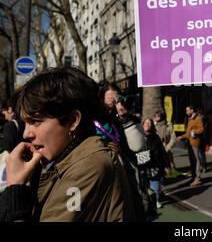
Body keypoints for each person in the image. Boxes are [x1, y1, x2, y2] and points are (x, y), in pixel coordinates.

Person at [0, 67, 136, 221]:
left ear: (72, 121)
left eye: (35, 121)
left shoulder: (89, 166)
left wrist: (15, 188)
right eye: (25, 123)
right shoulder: (67, 159)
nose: (26, 134)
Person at [98, 82, 152, 220]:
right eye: (109, 101)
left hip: (127, 170)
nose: (113, 105)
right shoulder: (95, 119)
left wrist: (125, 117)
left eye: (117, 100)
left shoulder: (124, 119)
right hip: (105, 172)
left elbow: (137, 147)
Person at [141, 117, 167, 209]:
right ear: (142, 124)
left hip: (154, 165)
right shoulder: (139, 136)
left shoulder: (156, 137)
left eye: (149, 123)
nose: (147, 125)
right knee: (144, 185)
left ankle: (156, 200)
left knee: (154, 184)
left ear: (152, 125)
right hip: (142, 164)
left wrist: (164, 164)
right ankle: (147, 201)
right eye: (145, 123)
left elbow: (161, 151)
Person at [178, 105, 204, 187]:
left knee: (197, 161)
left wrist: (194, 132)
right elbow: (188, 133)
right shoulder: (190, 119)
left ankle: (198, 179)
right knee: (192, 161)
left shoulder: (197, 118)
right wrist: (181, 137)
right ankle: (193, 177)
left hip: (195, 143)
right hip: (189, 142)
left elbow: (201, 129)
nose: (186, 112)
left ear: (192, 110)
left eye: (187, 110)